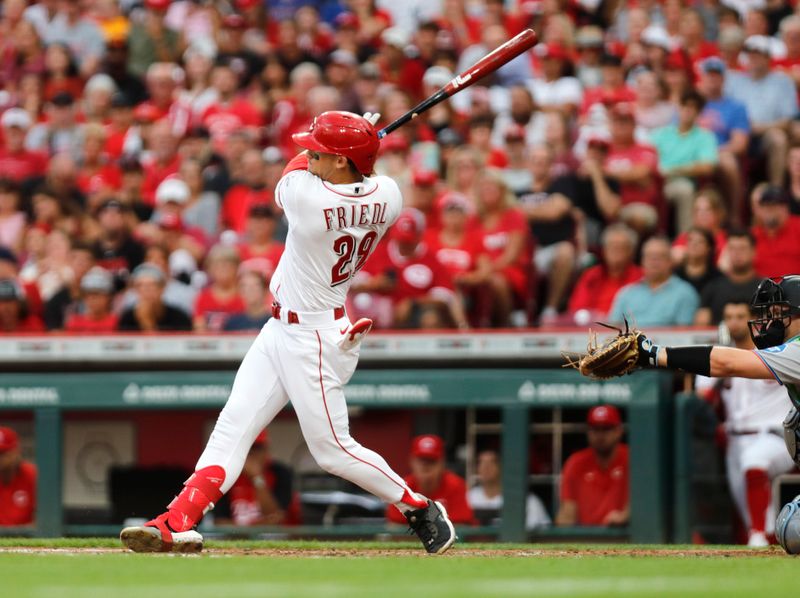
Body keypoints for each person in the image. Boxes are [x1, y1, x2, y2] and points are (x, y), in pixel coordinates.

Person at [120, 111, 457, 555]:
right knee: (233, 424)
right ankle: (178, 517)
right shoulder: (390, 195)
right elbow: (363, 174)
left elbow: (296, 166)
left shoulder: (308, 201)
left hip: (314, 339)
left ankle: (420, 508)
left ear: (340, 163)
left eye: (321, 152)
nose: (311, 155)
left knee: (332, 451)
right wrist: (355, 143)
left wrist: (355, 138)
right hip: (283, 326)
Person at [623, 275, 800, 554]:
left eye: (781, 314)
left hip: (766, 437)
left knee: (793, 528)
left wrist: (655, 355)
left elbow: (726, 362)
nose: (772, 322)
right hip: (739, 437)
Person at [695, 302, 794, 547]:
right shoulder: (720, 356)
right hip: (735, 439)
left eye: (740, 316)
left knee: (755, 463)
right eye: (729, 317)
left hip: (774, 436)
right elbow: (702, 398)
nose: (734, 322)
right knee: (749, 512)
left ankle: (759, 537)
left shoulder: (776, 352)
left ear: (752, 320)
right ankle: (765, 542)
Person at [649, 89, 719, 234]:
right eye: (685, 105)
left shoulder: (705, 136)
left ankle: (685, 238)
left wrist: (674, 170)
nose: (688, 110)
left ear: (699, 112)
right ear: (678, 108)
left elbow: (707, 167)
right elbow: (647, 157)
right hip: (655, 180)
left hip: (679, 181)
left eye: (693, 107)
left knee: (684, 190)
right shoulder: (661, 133)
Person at [556, 406, 630, 527]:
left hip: (624, 536)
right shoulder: (576, 462)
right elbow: (568, 510)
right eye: (595, 429)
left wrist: (625, 515)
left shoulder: (632, 458)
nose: (600, 435)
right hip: (587, 538)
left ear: (618, 431)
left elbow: (644, 501)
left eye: (606, 429)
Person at [608, 236, 700, 327]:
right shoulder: (626, 293)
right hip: (629, 341)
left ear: (670, 261)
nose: (654, 261)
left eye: (660, 256)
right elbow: (612, 329)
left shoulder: (685, 293)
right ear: (642, 261)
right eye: (649, 256)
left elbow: (685, 334)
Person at [386, 434, 475, 526]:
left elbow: (462, 526)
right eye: (421, 461)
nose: (426, 467)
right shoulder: (401, 487)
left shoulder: (455, 485)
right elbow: (394, 526)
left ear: (442, 463)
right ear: (411, 462)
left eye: (431, 461)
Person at [217, 430, 300, 526]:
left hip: (273, 538)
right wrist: (252, 529)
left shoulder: (280, 472)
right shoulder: (228, 475)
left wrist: (256, 478)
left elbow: (276, 517)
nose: (251, 453)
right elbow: (220, 522)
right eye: (246, 448)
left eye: (256, 448)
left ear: (266, 450)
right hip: (236, 538)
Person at [567, 224, 642, 322]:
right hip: (591, 329)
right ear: (604, 250)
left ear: (631, 252)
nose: (615, 251)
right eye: (611, 246)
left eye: (621, 247)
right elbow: (576, 309)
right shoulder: (592, 275)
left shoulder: (640, 277)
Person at [467, 449, 551, 530]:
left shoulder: (527, 500)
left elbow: (542, 533)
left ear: (502, 467)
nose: (485, 467)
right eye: (481, 463)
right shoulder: (468, 497)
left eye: (492, 462)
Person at [695, 230, 761, 326]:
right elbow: (701, 325)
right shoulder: (713, 288)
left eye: (742, 248)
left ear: (753, 252)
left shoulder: (765, 288)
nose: (737, 253)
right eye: (732, 248)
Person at [117, 262, 192, 332]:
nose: (146, 290)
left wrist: (147, 322)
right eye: (140, 286)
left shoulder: (179, 317)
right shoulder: (127, 319)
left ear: (162, 288)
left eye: (152, 285)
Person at [63, 266, 118, 332]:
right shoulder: (74, 323)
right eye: (88, 295)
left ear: (108, 297)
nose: (92, 299)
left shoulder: (116, 322)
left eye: (97, 294)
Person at [0, 426, 36, 526]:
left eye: (2, 453)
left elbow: (44, 522)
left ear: (15, 452)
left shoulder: (32, 475)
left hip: (27, 539)